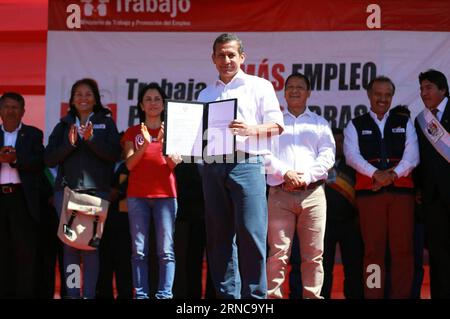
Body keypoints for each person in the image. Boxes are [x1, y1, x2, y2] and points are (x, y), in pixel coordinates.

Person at [197, 33, 284, 299]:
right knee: (219, 237)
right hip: (213, 165)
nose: (226, 60)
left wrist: (251, 129)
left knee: (252, 234)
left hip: (248, 164)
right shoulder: (205, 93)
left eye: (231, 54)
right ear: (213, 58)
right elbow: (196, 133)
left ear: (242, 57)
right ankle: (227, 299)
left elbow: (277, 126)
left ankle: (255, 299)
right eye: (221, 55)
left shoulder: (260, 86)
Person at [344, 76, 419, 299]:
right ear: (369, 95)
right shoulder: (355, 124)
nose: (382, 99)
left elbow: (412, 155)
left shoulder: (404, 122)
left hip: (402, 195)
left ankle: (401, 296)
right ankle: (373, 295)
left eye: (387, 95)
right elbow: (351, 156)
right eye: (378, 94)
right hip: (370, 196)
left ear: (392, 97)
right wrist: (376, 174)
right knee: (373, 253)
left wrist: (393, 174)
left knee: (403, 252)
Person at [45, 78, 121, 299]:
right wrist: (70, 144)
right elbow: (49, 159)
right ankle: (73, 294)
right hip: (66, 193)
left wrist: (91, 140)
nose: (83, 98)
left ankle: (88, 295)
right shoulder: (63, 124)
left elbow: (113, 155)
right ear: (72, 99)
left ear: (96, 98)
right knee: (69, 248)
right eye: (78, 94)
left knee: (90, 248)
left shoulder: (106, 123)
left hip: (96, 193)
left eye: (88, 94)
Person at [266, 73, 335, 299]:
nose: (295, 91)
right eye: (290, 88)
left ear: (308, 93)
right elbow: (265, 154)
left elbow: (327, 157)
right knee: (278, 253)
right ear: (284, 93)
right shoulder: (274, 123)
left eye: (300, 87)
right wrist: (285, 173)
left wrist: (304, 177)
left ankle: (312, 296)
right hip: (280, 194)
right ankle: (271, 299)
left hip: (313, 195)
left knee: (313, 255)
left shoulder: (319, 124)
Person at [122, 83, 181, 299]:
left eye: (157, 99)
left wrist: (167, 149)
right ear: (141, 105)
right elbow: (128, 165)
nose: (153, 103)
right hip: (138, 196)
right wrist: (146, 145)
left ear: (164, 105)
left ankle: (165, 295)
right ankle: (141, 295)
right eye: (148, 99)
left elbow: (173, 165)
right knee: (139, 251)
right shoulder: (133, 132)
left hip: (166, 196)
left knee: (166, 251)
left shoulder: (173, 131)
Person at [0, 92, 44, 298]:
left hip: (21, 199)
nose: (10, 111)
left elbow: (39, 163)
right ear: (0, 111)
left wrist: (16, 160)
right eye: (6, 107)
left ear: (23, 111)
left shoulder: (34, 134)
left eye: (15, 107)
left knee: (24, 253)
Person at [414, 69, 450, 298]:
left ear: (443, 90)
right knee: (438, 257)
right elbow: (420, 159)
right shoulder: (421, 121)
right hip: (433, 200)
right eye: (421, 89)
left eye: (428, 88)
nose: (423, 93)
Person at [321, 128, 364, 299]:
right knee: (324, 267)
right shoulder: (320, 163)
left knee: (354, 267)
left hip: (350, 223)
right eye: (335, 141)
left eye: (341, 142)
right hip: (326, 225)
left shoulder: (353, 164)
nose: (338, 145)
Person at [96, 156, 133, 299]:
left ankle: (125, 294)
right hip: (103, 221)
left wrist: (118, 191)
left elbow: (131, 184)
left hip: (124, 222)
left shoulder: (131, 165)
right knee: (104, 262)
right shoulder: (105, 163)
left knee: (123, 262)